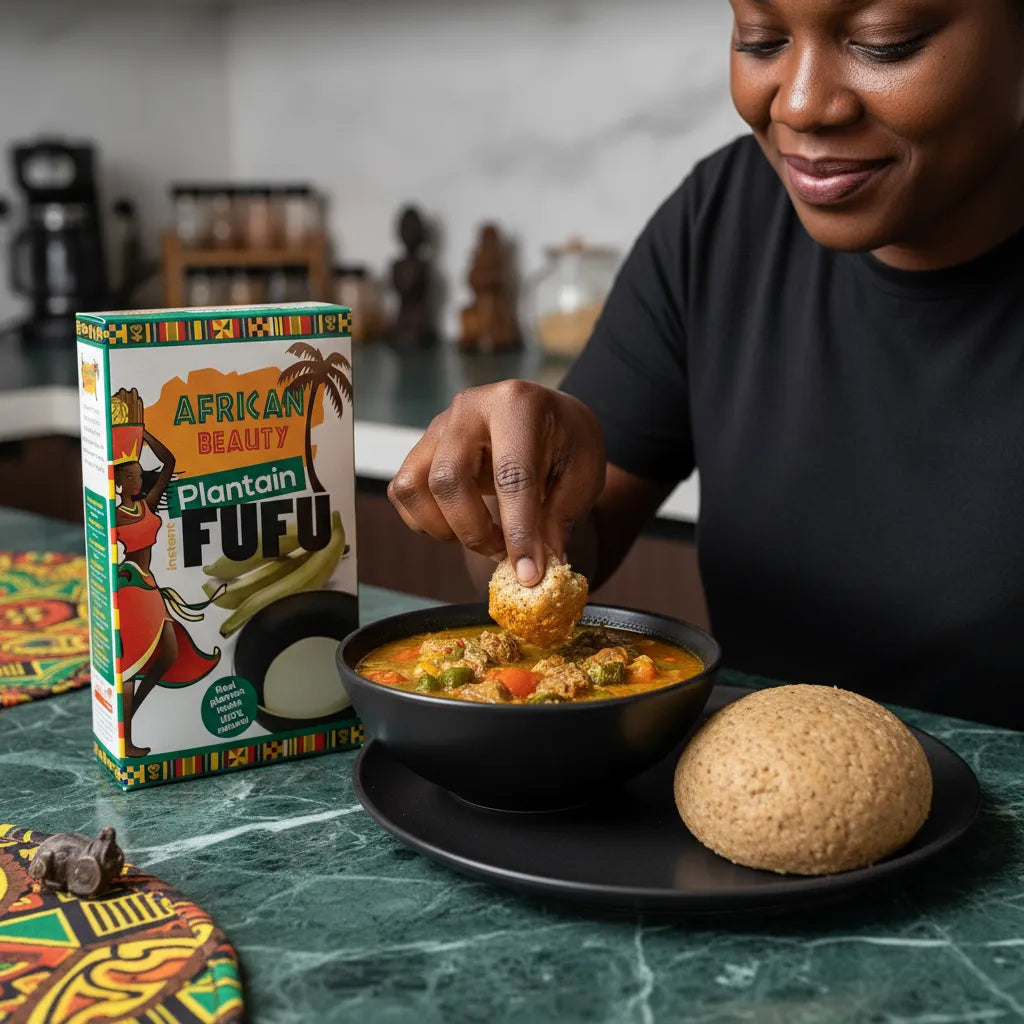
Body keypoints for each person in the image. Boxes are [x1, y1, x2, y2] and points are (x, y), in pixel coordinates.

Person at [387, 0, 1024, 730]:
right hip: (746, 810)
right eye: (762, 41)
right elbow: (567, 555)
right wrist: (516, 499)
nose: (803, 104)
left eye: (886, 45)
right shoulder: (722, 219)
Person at [114, 428, 220, 755]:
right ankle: (126, 738)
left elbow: (169, 462)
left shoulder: (147, 505)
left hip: (149, 584)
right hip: (131, 585)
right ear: (118, 483)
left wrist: (144, 434)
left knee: (169, 654)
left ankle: (131, 715)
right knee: (130, 664)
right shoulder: (114, 514)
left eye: (138, 475)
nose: (137, 480)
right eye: (129, 476)